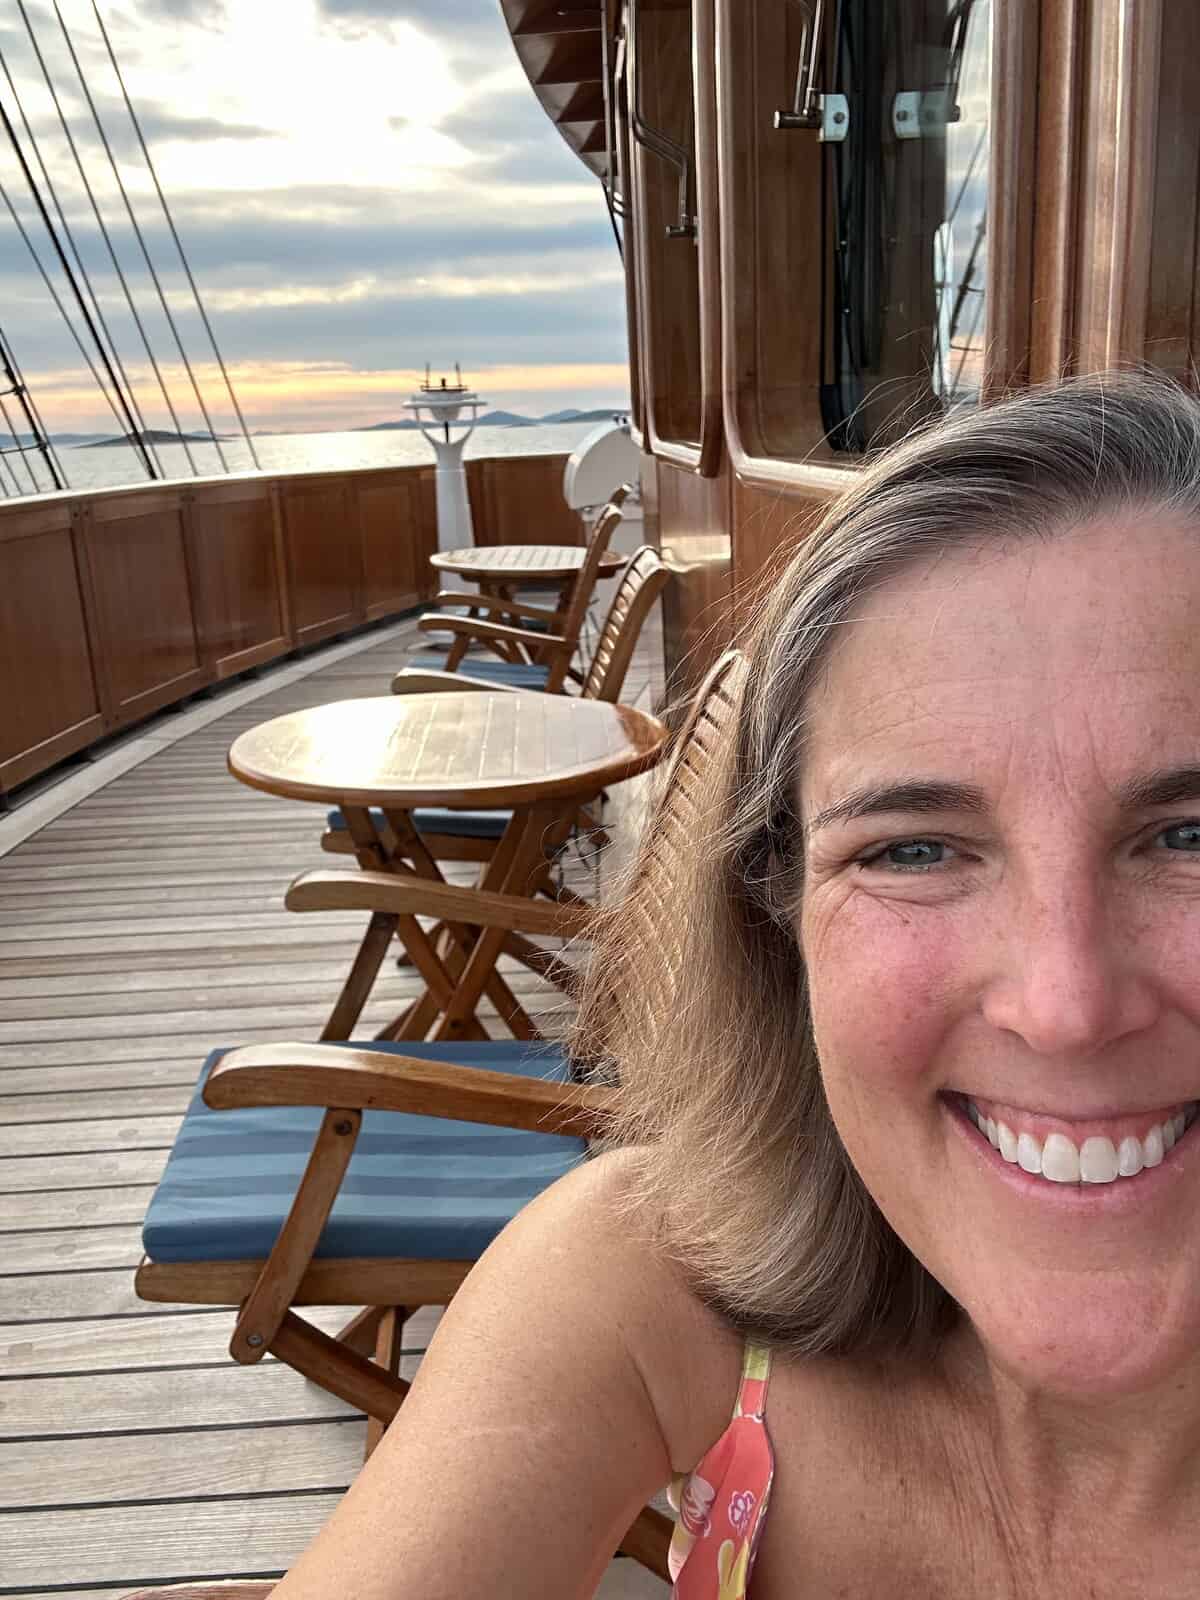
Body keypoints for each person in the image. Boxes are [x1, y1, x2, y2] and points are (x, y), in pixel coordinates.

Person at [272, 372, 1200, 1597]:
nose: (1068, 1003)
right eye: (914, 850)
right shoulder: (654, 1283)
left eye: (1189, 835)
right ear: (780, 917)